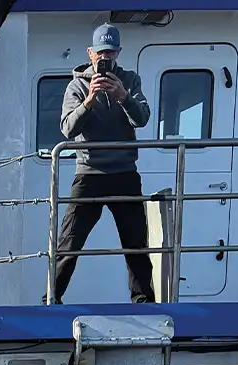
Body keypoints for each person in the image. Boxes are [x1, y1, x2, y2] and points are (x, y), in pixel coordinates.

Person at [52, 24, 155, 304]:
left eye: (109, 53)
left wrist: (122, 96)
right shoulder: (77, 85)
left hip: (125, 173)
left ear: (118, 53)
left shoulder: (130, 81)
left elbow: (142, 118)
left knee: (136, 244)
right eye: (100, 53)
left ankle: (143, 301)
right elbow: (67, 129)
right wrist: (88, 100)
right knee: (69, 243)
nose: (104, 59)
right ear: (90, 53)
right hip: (90, 174)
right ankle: (51, 298)